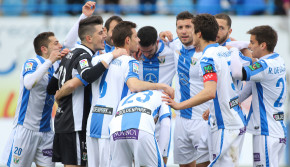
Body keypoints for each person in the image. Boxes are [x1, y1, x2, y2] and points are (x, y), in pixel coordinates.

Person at [85, 21, 174, 166]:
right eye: (136, 37)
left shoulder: (98, 58)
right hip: (111, 125)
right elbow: (134, 85)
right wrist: (161, 86)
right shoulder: (130, 62)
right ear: (128, 40)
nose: (138, 40)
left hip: (92, 123)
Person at [163, 14, 247, 167]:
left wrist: (178, 105)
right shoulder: (226, 51)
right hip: (229, 119)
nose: (187, 32)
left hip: (224, 124)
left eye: (191, 29)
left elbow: (209, 92)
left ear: (199, 33)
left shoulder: (207, 57)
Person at [47, 16, 125, 166]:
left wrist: (61, 96)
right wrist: (111, 56)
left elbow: (51, 87)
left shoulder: (68, 55)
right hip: (75, 123)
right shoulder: (83, 56)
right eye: (101, 33)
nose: (105, 36)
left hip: (63, 121)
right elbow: (87, 75)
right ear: (89, 38)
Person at [1, 32, 63, 167]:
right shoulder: (32, 63)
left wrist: (83, 15)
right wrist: (49, 62)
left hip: (46, 132)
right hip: (26, 129)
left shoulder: (55, 67)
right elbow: (28, 83)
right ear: (44, 49)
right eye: (56, 43)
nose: (60, 45)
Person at [231, 25, 287, 167]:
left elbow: (238, 74)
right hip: (278, 129)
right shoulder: (278, 60)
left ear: (263, 45)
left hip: (266, 130)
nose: (249, 46)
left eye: (252, 42)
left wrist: (232, 50)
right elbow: (249, 88)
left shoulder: (264, 65)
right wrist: (229, 104)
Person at [160, 11, 210, 167]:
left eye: (188, 26)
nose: (184, 31)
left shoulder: (207, 53)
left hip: (202, 118)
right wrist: (160, 35)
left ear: (196, 29)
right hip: (181, 119)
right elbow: (153, 43)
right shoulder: (174, 45)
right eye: (180, 27)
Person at [137, 26, 175, 164]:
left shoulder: (171, 52)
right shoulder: (134, 53)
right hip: (139, 113)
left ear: (157, 42)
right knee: (138, 159)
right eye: (143, 51)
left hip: (162, 114)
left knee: (161, 159)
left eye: (150, 51)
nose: (146, 54)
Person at [109, 90, 171, 167]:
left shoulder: (127, 97)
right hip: (141, 129)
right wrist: (159, 153)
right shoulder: (163, 95)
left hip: (115, 131)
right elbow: (166, 125)